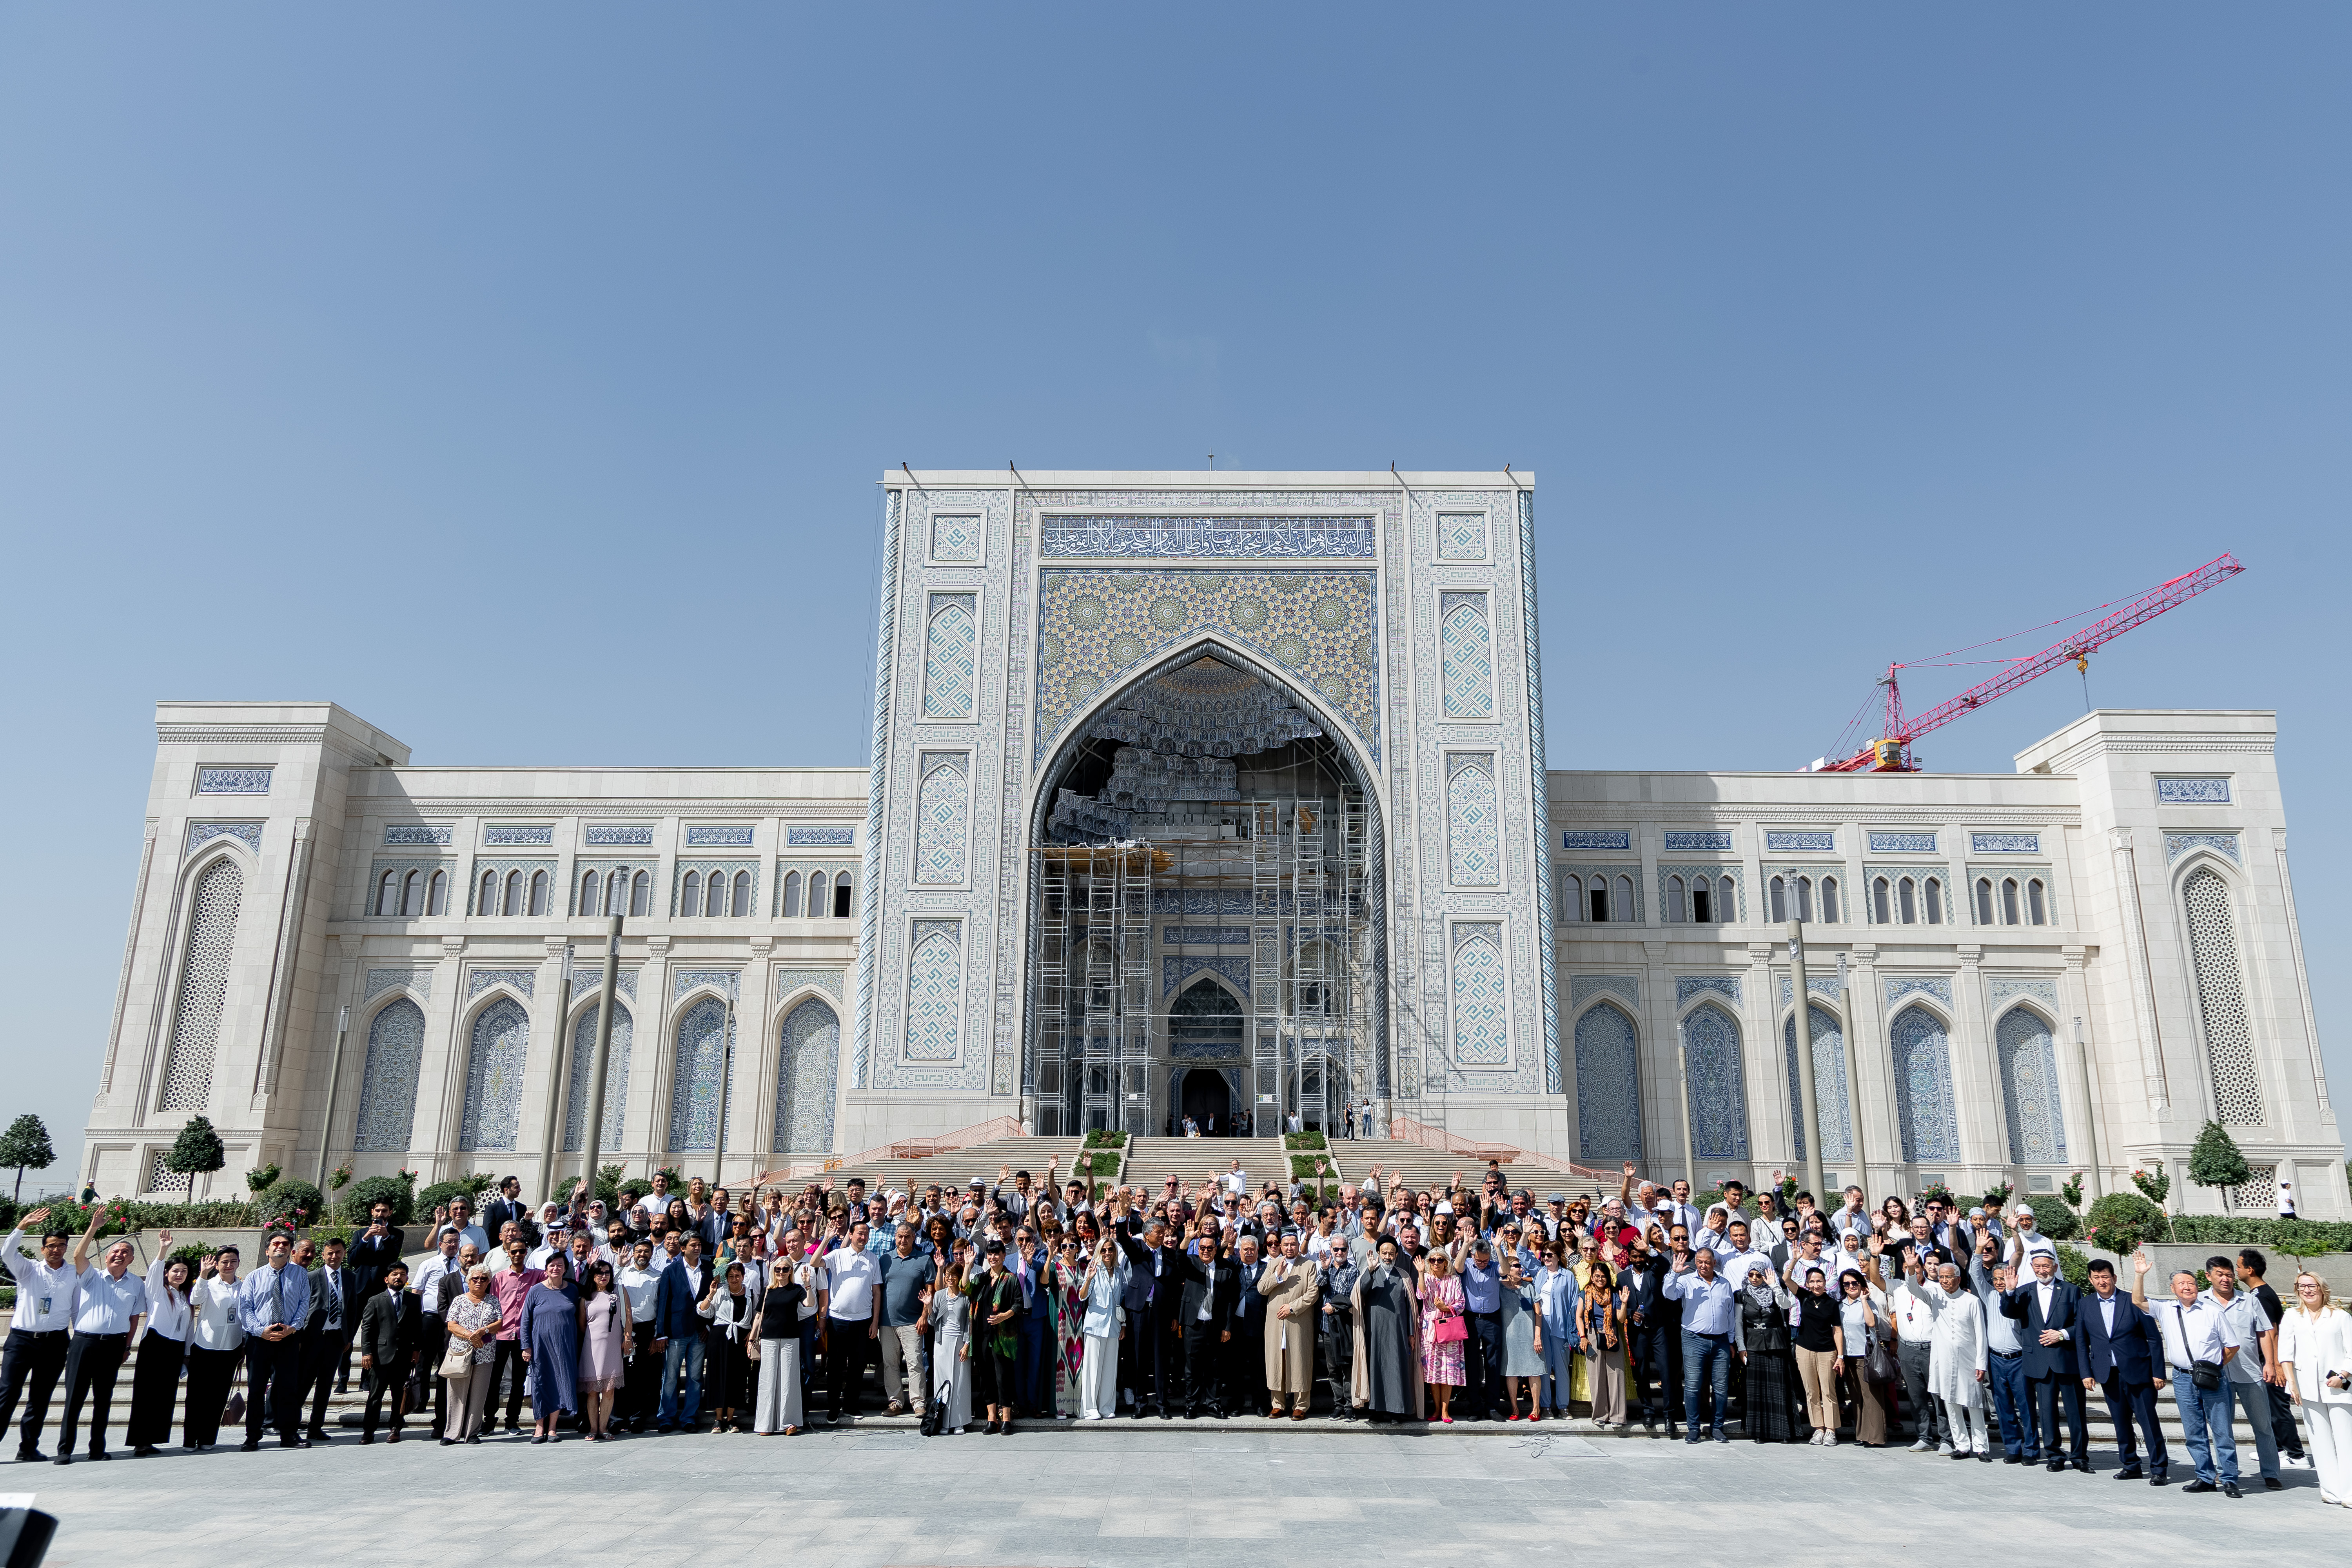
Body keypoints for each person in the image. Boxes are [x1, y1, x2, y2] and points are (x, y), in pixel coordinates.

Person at [2141, 1263, 2243, 1495]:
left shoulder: (2212, 1311)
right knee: (2193, 1431)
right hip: (2182, 1377)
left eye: (2191, 1283)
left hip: (2212, 1378)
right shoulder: (2166, 1309)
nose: (2187, 1287)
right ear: (2173, 1288)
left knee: (2222, 1431)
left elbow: (2233, 1345)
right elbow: (2138, 1301)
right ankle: (2205, 1477)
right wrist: (2139, 1275)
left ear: (2198, 1287)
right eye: (2182, 1284)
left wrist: (2215, 1367)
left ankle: (2229, 1479)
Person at [54, 1213, 143, 1464]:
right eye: (116, 1251)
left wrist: (127, 1345)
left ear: (132, 1259)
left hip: (114, 1345)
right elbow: (77, 1256)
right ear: (106, 1256)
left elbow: (134, 1318)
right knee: (74, 1399)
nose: (120, 1254)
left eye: (125, 1252)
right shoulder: (92, 1277)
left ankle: (97, 1449)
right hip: (85, 1343)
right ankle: (65, 1450)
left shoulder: (136, 1284)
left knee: (103, 1400)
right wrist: (93, 1227)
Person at [2077, 1254, 2169, 1483]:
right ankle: (2131, 1464)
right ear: (2090, 1280)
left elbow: (2154, 1339)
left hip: (2139, 1372)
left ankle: (2159, 1469)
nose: (2102, 1282)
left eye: (2106, 1277)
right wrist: (2086, 1373)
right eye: (2097, 1278)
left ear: (2115, 1278)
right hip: (2108, 1373)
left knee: (2148, 1421)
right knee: (2120, 1422)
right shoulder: (2085, 1304)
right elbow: (2081, 1341)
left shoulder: (2133, 1301)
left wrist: (2158, 1372)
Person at [0, 1209, 81, 1462]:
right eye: (51, 1246)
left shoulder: (74, 1274)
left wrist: (78, 1337)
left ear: (67, 1248)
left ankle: (28, 1449)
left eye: (61, 1246)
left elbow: (77, 1309)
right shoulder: (28, 1270)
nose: (56, 1250)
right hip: (22, 1341)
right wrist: (22, 1225)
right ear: (43, 1248)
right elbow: (6, 1253)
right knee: (7, 1394)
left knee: (40, 1397)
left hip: (55, 1342)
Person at [1999, 1249, 2089, 1472]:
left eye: (2046, 1266)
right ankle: (2054, 1456)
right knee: (2047, 1413)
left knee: (2076, 1412)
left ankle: (2079, 1456)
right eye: (2037, 1266)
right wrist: (2009, 1291)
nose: (2042, 1270)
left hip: (2067, 1361)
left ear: (2055, 1267)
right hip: (2039, 1362)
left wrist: (2062, 1334)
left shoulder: (2071, 1291)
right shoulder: (2023, 1291)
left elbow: (2082, 1324)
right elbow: (2009, 1313)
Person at [2202, 1254, 2285, 1490]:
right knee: (2221, 1428)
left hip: (2250, 1372)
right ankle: (2225, 1472)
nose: (2226, 1279)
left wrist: (2270, 1363)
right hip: (2217, 1376)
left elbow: (2264, 1333)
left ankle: (2271, 1473)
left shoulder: (2249, 1300)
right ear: (2209, 1276)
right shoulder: (2201, 1301)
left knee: (2263, 1426)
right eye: (2220, 1275)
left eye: (2229, 1274)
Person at [2276, 1271, 2352, 1507]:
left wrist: (2343, 1375)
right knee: (2319, 1441)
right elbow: (2286, 1354)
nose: (2307, 1290)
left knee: (2345, 1440)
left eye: (2312, 1286)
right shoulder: (2291, 1316)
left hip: (2339, 1386)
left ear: (2322, 1288)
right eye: (2302, 1286)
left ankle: (2350, 1492)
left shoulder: (2340, 1316)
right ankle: (2331, 1490)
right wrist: (2293, 1386)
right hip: (2307, 1388)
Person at [235, 1231, 312, 1450]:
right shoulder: (254, 1277)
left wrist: (294, 1328)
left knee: (288, 1389)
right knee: (256, 1389)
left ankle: (289, 1436)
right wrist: (260, 1331)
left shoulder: (300, 1275)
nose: (281, 1246)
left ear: (291, 1250)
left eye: (286, 1244)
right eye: (276, 1243)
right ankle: (252, 1437)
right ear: (268, 1250)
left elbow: (304, 1304)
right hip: (260, 1339)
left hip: (287, 1337)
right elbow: (246, 1307)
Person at [1910, 1256, 1990, 1459]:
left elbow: (1981, 1334)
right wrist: (1911, 1269)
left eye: (1949, 1277)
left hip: (1969, 1359)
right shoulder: (1935, 1296)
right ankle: (1962, 1445)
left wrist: (1981, 1363)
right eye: (1942, 1277)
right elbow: (1914, 1289)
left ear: (1958, 1278)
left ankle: (1981, 1447)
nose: (1945, 1281)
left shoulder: (1972, 1301)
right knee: (1951, 1404)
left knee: (1974, 1404)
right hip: (1944, 1360)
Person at [2236, 1249, 2307, 1465]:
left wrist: (2275, 1365)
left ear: (2250, 1270)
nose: (2236, 1270)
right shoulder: (2259, 1294)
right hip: (2265, 1362)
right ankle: (2276, 1450)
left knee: (2278, 1408)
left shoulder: (2262, 1296)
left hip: (2271, 1363)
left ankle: (2297, 1455)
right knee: (2269, 1408)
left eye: (2238, 1267)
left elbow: (2272, 1331)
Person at [125, 1230, 192, 1457]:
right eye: (175, 1271)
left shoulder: (185, 1298)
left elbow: (187, 1329)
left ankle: (152, 1439)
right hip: (155, 1345)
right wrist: (163, 1250)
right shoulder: (158, 1292)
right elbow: (153, 1274)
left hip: (174, 1349)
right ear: (167, 1274)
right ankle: (140, 1442)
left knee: (165, 1396)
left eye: (183, 1271)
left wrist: (186, 1353)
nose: (179, 1275)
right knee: (147, 1395)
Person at [1664, 1247, 1735, 1443]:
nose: (1703, 1266)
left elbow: (1730, 1314)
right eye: (1699, 1262)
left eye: (1707, 1262)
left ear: (1714, 1263)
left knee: (1721, 1388)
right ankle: (1694, 1428)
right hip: (1694, 1339)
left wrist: (1731, 1341)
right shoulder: (1686, 1281)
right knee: (1694, 1386)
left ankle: (1718, 1428)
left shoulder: (1725, 1283)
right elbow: (1669, 1294)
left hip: (1721, 1340)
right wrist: (1674, 1273)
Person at [1352, 1236, 1422, 1424]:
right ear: (1378, 1254)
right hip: (1375, 1331)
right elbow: (1360, 1292)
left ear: (1397, 1255)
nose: (1388, 1257)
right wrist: (1370, 1269)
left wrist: (1411, 1333)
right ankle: (1376, 1410)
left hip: (1399, 1332)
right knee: (1376, 1368)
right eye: (1384, 1253)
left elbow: (1410, 1307)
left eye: (1392, 1253)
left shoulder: (1404, 1276)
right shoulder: (1371, 1273)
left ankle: (1397, 1410)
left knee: (1398, 1369)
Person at [1174, 1220, 1240, 1420]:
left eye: (1210, 1248)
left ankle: (1213, 1404)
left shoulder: (1225, 1269)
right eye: (1202, 1247)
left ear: (1215, 1249)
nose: (1205, 1251)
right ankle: (1192, 1405)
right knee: (1192, 1369)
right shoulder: (1192, 1263)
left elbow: (1230, 1301)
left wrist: (1227, 1327)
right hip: (1193, 1325)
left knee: (1214, 1369)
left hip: (1214, 1326)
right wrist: (1186, 1239)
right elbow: (1179, 1257)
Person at [1730, 1260, 1797, 1443]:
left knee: (1778, 1388)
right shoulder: (1741, 1295)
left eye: (1758, 1275)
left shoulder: (1774, 1291)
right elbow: (1738, 1323)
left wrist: (1774, 1285)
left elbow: (1786, 1305)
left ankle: (1782, 1431)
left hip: (1776, 1341)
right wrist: (1741, 1347)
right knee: (1757, 1390)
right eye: (1751, 1275)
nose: (1754, 1279)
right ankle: (1759, 1432)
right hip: (1753, 1343)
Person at [819, 1222, 880, 1423]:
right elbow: (814, 1263)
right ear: (851, 1234)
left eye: (866, 1234)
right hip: (838, 1321)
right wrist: (827, 1239)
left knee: (858, 1366)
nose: (863, 1237)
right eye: (860, 1233)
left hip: (863, 1321)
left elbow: (877, 1292)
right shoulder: (838, 1254)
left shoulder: (873, 1259)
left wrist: (875, 1321)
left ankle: (851, 1405)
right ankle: (833, 1408)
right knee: (836, 1367)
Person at [876, 1221, 935, 1419]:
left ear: (913, 1238)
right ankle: (896, 1402)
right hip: (886, 1322)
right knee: (890, 1364)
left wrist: (925, 1316)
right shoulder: (885, 1260)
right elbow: (878, 1290)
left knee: (915, 1363)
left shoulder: (924, 1259)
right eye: (900, 1236)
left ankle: (919, 1403)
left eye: (907, 1236)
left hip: (913, 1322)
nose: (903, 1240)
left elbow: (930, 1290)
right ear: (895, 1237)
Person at [355, 1260, 419, 1443]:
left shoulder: (414, 1300)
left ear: (407, 1279)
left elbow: (417, 1327)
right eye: (395, 1274)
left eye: (402, 1275)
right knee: (375, 1396)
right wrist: (367, 1352)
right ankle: (369, 1431)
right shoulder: (375, 1300)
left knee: (399, 1395)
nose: (399, 1277)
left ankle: (396, 1428)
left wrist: (417, 1349)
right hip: (380, 1356)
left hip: (404, 1356)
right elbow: (367, 1328)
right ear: (387, 1279)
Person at [301, 1235, 357, 1441]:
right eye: (330, 1253)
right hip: (313, 1337)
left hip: (336, 1339)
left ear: (344, 1254)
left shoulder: (350, 1277)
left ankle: (316, 1427)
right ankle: (290, 1425)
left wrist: (349, 1337)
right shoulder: (311, 1276)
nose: (334, 1256)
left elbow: (352, 1310)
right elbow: (303, 1307)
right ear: (323, 1255)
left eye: (338, 1252)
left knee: (325, 1386)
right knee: (304, 1383)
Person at [520, 1253, 580, 1443]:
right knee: (540, 1384)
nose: (556, 1269)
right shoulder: (536, 1291)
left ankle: (553, 1428)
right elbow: (526, 1321)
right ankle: (539, 1428)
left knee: (559, 1384)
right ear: (547, 1269)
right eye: (552, 1266)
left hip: (565, 1347)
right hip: (540, 1347)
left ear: (565, 1269)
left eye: (560, 1266)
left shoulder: (572, 1290)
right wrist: (526, 1346)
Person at [488, 1235, 544, 1434]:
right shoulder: (500, 1278)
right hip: (501, 1335)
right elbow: (493, 1305)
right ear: (508, 1253)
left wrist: (561, 1250)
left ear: (527, 1252)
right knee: (494, 1380)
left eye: (522, 1251)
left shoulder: (537, 1276)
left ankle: (513, 1420)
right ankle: (489, 1420)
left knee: (519, 1382)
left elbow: (556, 1274)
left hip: (524, 1336)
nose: (518, 1255)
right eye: (514, 1252)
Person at [1259, 1230, 1318, 1419]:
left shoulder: (1308, 1265)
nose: (1289, 1248)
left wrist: (1293, 1307)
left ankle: (1301, 1405)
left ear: (1298, 1245)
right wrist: (1277, 1275)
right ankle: (1278, 1403)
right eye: (1286, 1245)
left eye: (1293, 1244)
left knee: (1300, 1360)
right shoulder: (1273, 1264)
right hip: (1276, 1323)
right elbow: (1262, 1288)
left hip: (1298, 1321)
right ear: (1281, 1247)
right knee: (1277, 1361)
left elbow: (1312, 1293)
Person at [441, 1266, 503, 1443]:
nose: (479, 1282)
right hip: (460, 1353)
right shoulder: (459, 1300)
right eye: (475, 1279)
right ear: (468, 1281)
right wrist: (470, 1336)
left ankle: (472, 1433)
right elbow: (451, 1325)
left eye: (484, 1279)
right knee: (456, 1394)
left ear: (489, 1282)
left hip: (485, 1354)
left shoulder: (493, 1301)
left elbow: (499, 1323)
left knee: (479, 1394)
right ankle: (452, 1433)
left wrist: (482, 1332)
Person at [653, 1233, 706, 1432]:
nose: (697, 1248)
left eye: (699, 1245)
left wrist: (708, 1326)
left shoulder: (708, 1268)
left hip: (700, 1332)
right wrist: (662, 1333)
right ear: (683, 1248)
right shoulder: (670, 1270)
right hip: (676, 1333)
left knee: (695, 1377)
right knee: (671, 1376)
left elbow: (716, 1300)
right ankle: (666, 1418)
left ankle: (689, 1418)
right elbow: (663, 1303)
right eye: (693, 1245)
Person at [968, 1241, 1023, 1434]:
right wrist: (968, 1265)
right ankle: (992, 1418)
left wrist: (1004, 1316)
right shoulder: (981, 1278)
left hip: (1003, 1337)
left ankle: (1006, 1418)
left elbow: (1019, 1305)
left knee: (1003, 1377)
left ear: (1003, 1255)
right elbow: (965, 1288)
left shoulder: (1011, 1278)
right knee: (986, 1378)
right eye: (990, 1255)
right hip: (982, 1335)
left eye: (996, 1254)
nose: (993, 1258)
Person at [752, 1259, 810, 1435]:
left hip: (790, 1339)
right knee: (768, 1381)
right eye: (778, 1269)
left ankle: (789, 1423)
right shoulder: (768, 1291)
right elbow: (758, 1317)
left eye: (785, 1269)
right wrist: (752, 1339)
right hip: (769, 1339)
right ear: (773, 1270)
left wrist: (807, 1285)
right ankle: (766, 1425)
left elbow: (809, 1304)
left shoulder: (797, 1289)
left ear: (791, 1271)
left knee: (789, 1380)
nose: (781, 1272)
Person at [1789, 1265, 1842, 1444]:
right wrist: (1795, 1259)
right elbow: (1787, 1280)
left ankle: (1831, 1430)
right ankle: (1818, 1429)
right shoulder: (1805, 1297)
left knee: (1828, 1392)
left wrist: (1840, 1356)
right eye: (1812, 1281)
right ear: (1807, 1284)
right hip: (1804, 1349)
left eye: (1819, 1281)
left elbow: (1837, 1331)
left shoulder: (1832, 1303)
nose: (1816, 1285)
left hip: (1827, 1351)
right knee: (1811, 1392)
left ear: (1826, 1282)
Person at [616, 1239, 664, 1433]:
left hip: (647, 1330)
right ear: (633, 1253)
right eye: (639, 1251)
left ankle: (637, 1418)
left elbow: (661, 1307)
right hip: (622, 1329)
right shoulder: (622, 1275)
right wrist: (619, 1266)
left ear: (652, 1254)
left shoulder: (658, 1277)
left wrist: (656, 1335)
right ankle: (618, 1418)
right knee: (621, 1375)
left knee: (642, 1376)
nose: (642, 1255)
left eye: (646, 1251)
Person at [1837, 1267, 1889, 1446]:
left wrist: (1864, 1300)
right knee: (1857, 1397)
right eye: (1847, 1284)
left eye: (1855, 1283)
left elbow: (1872, 1322)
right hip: (1848, 1356)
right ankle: (1862, 1434)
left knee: (1871, 1397)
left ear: (1861, 1284)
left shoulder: (1870, 1303)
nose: (1851, 1286)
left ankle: (1875, 1437)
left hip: (1866, 1356)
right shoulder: (1840, 1305)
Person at [701, 1260, 754, 1434]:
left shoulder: (751, 1294)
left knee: (737, 1378)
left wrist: (752, 1334)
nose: (734, 1279)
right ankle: (718, 1419)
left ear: (743, 1277)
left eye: (738, 1276)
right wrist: (710, 1294)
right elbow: (702, 1311)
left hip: (740, 1340)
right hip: (720, 1339)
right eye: (731, 1276)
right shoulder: (720, 1292)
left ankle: (731, 1419)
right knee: (718, 1376)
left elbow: (756, 1317)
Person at [1076, 1237, 1125, 1420]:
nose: (1107, 1253)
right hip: (1095, 1325)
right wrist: (1088, 1278)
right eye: (1103, 1250)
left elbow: (1120, 1300)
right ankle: (1089, 1409)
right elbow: (1082, 1296)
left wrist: (1124, 1324)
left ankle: (1105, 1406)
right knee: (1092, 1369)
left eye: (1110, 1249)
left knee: (1110, 1369)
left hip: (1114, 1325)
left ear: (1115, 1251)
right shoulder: (1094, 1270)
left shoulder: (1120, 1273)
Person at [577, 1260, 626, 1441]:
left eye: (607, 1272)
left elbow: (626, 1317)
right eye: (600, 1273)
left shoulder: (618, 1294)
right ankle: (593, 1429)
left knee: (609, 1390)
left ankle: (604, 1428)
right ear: (593, 1276)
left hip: (613, 1347)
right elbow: (582, 1327)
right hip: (592, 1348)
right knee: (592, 1391)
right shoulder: (586, 1299)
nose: (604, 1276)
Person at [1419, 1246, 1466, 1423]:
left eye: (1440, 1260)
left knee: (1449, 1371)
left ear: (1446, 1262)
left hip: (1449, 1328)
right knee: (1433, 1372)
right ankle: (1437, 1409)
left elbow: (1461, 1303)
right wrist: (1421, 1274)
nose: (1436, 1263)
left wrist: (1446, 1308)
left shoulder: (1454, 1280)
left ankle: (1446, 1410)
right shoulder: (1427, 1277)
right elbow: (1421, 1295)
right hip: (1430, 1329)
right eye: (1433, 1260)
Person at [1532, 1242, 1579, 1421]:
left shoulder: (1568, 1276)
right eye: (1544, 1255)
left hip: (1561, 1325)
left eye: (1550, 1255)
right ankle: (1545, 1406)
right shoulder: (1539, 1273)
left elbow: (1574, 1304)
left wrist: (1572, 1329)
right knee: (1544, 1368)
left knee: (1561, 1369)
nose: (1546, 1258)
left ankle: (1563, 1406)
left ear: (1559, 1256)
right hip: (1542, 1324)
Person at [1495, 1249, 1542, 1421]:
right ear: (1507, 1268)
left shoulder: (1529, 1287)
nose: (1520, 1269)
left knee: (1534, 1370)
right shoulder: (1499, 1288)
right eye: (1516, 1266)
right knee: (1511, 1372)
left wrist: (1538, 1336)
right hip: (1510, 1337)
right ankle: (1515, 1408)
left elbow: (1539, 1313)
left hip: (1530, 1336)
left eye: (1520, 1266)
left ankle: (1536, 1409)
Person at [1581, 1258, 1628, 1429]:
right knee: (1597, 1377)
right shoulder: (1585, 1294)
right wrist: (1583, 1337)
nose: (1600, 1279)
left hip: (1612, 1334)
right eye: (1596, 1276)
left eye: (1603, 1276)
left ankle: (1618, 1416)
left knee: (1616, 1375)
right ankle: (1601, 1415)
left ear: (1608, 1277)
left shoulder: (1615, 1294)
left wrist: (1624, 1303)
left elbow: (1621, 1319)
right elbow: (1579, 1316)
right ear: (1592, 1277)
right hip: (1593, 1335)